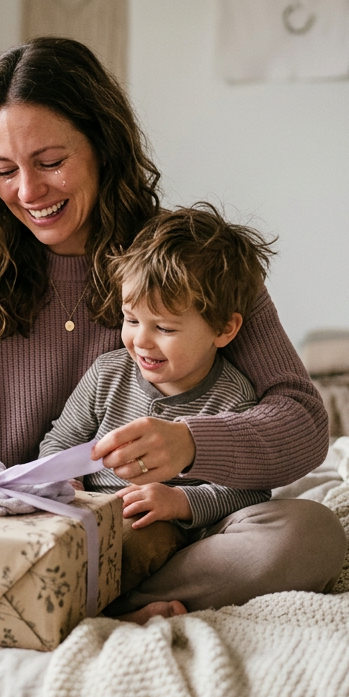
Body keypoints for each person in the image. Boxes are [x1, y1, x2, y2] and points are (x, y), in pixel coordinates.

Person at [0, 37, 347, 617]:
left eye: (50, 163)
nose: (28, 191)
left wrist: (192, 445)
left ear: (103, 145)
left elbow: (299, 420)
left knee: (308, 534)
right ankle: (84, 601)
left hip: (148, 536)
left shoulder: (190, 262)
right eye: (5, 170)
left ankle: (18, 598)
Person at [38, 203, 276, 622]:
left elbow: (251, 491)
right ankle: (100, 608)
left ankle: (87, 615)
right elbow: (60, 440)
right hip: (85, 512)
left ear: (225, 330)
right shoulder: (108, 373)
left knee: (136, 542)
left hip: (165, 529)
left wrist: (179, 502)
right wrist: (65, 481)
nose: (141, 341)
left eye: (164, 328)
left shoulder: (232, 397)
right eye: (131, 320)